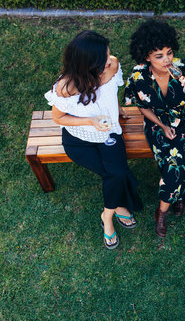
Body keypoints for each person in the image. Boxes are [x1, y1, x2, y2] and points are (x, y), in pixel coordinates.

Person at [45, 30, 143, 250]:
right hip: (79, 140)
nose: (110, 60)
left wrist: (117, 110)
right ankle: (117, 209)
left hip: (109, 134)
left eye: (108, 55)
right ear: (87, 64)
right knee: (117, 174)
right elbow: (58, 118)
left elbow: (112, 92)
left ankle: (106, 216)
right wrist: (91, 122)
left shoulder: (113, 66)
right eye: (104, 59)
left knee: (116, 173)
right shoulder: (67, 87)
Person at [123, 19, 185, 238]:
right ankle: (179, 194)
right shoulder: (138, 76)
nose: (167, 60)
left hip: (184, 120)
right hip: (156, 123)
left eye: (169, 53)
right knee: (170, 159)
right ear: (146, 57)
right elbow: (143, 108)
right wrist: (162, 125)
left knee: (174, 162)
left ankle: (161, 211)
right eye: (159, 56)